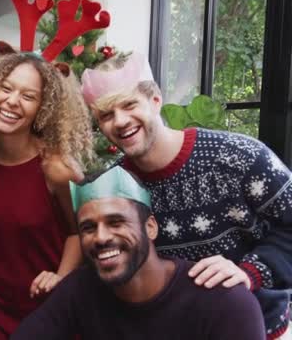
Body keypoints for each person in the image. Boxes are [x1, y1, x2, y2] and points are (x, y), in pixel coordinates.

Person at [81, 52, 292, 339]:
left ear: (155, 101)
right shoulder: (115, 185)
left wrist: (251, 271)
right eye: (106, 115)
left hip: (259, 328)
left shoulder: (239, 157)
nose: (119, 121)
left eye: (129, 105)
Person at [12, 166, 266, 339]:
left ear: (150, 227)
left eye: (116, 222)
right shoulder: (79, 289)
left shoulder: (223, 300)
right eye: (88, 228)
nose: (101, 237)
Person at [0, 42, 94, 338]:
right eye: (6, 88)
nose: (12, 101)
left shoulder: (57, 168)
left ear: (42, 108)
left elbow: (78, 232)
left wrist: (60, 277)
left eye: (28, 96)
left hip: (48, 305)